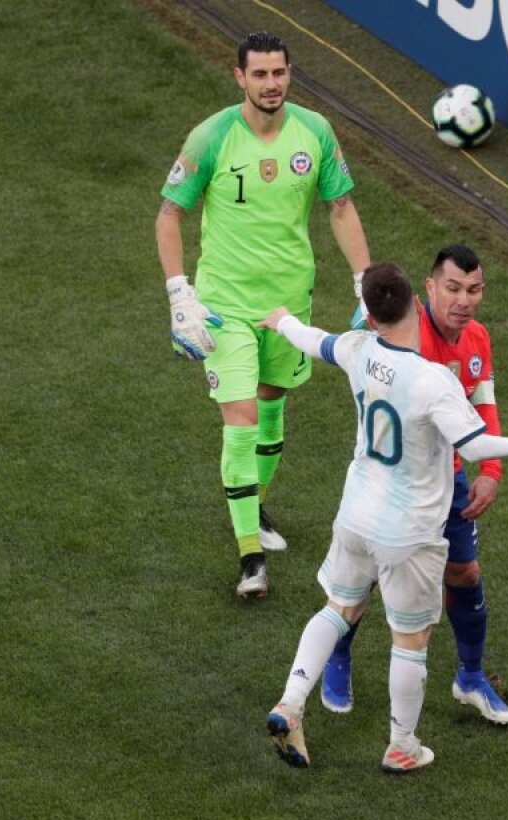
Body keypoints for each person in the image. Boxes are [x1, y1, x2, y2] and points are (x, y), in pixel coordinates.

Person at [260, 263, 508, 772]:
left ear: (371, 317)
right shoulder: (433, 380)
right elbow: (475, 445)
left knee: (338, 608)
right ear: (417, 306)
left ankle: (291, 702)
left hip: (355, 514)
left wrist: (282, 321)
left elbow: (315, 340)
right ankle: (402, 745)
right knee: (410, 639)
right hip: (408, 531)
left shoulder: (359, 349)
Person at [155, 31, 371, 599]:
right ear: (239, 77)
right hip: (224, 306)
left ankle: (255, 506)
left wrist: (364, 281)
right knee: (242, 419)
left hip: (288, 306)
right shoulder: (211, 137)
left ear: (290, 73)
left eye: (279, 73)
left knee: (273, 408)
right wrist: (180, 295)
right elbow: (169, 215)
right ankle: (250, 558)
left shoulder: (315, 132)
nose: (271, 84)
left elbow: (341, 206)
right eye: (259, 74)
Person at [321, 244, 508, 724]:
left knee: (464, 573)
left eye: (474, 290)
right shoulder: (404, 339)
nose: (463, 301)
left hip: (447, 480)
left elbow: (483, 403)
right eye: (453, 288)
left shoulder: (477, 338)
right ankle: (337, 658)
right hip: (393, 486)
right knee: (366, 577)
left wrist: (491, 472)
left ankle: (470, 677)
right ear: (429, 288)